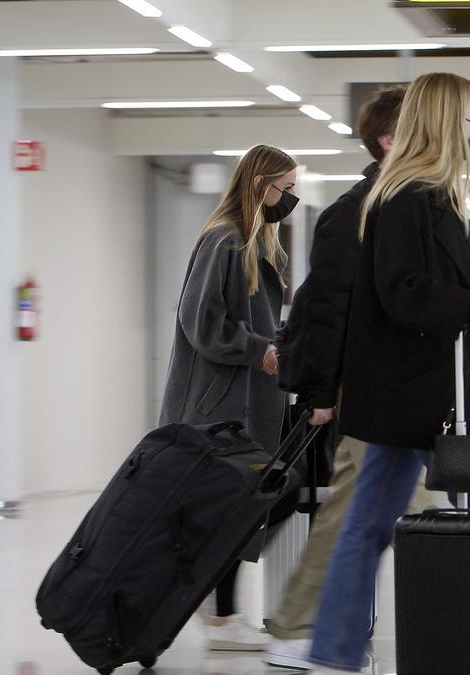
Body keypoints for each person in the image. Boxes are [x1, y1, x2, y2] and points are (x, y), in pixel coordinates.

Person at [304, 72, 470, 675]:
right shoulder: (405, 196)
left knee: (369, 523)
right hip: (424, 394)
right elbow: (403, 291)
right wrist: (469, 303)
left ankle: (334, 648)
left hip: (414, 391)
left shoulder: (425, 193)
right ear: (447, 121)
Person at [263, 85, 445, 668]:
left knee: (391, 514)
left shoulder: (415, 201)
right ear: (391, 140)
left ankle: (324, 632)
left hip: (406, 392)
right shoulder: (357, 212)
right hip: (370, 393)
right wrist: (319, 391)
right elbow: (326, 308)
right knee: (363, 516)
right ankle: (303, 629)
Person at [158, 143, 299, 651]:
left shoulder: (259, 245)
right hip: (218, 404)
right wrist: (257, 349)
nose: (290, 198)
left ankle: (216, 610)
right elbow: (199, 320)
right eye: (285, 187)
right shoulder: (225, 240)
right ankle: (218, 617)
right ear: (260, 183)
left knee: (246, 503)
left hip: (250, 401)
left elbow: (256, 321)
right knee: (244, 501)